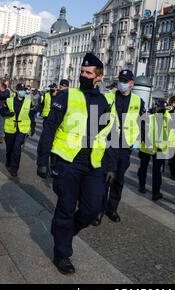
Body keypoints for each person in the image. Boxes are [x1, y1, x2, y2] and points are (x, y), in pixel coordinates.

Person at [36, 53, 116, 275]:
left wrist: (111, 166)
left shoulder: (105, 101)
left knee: (92, 210)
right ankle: (62, 253)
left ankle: (64, 232)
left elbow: (107, 135)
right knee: (66, 208)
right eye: (82, 72)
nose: (83, 76)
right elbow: (50, 127)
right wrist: (42, 159)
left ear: (99, 77)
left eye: (88, 73)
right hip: (68, 161)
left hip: (93, 164)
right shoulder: (67, 95)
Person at [92, 70, 146, 226]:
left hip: (125, 146)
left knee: (119, 180)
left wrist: (140, 140)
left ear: (131, 83)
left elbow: (143, 122)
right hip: (108, 144)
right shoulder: (108, 98)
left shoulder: (138, 101)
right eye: (120, 80)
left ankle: (112, 209)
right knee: (105, 178)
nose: (122, 83)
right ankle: (99, 211)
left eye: (125, 80)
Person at [138, 99, 175, 201]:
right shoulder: (163, 118)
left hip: (153, 148)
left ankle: (148, 189)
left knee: (150, 170)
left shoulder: (165, 118)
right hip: (152, 148)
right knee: (151, 170)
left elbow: (171, 134)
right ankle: (153, 192)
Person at [0, 83, 36, 177]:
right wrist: (7, 113)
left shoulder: (28, 102)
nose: (22, 91)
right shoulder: (9, 100)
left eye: (24, 90)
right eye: (20, 90)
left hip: (22, 129)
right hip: (10, 128)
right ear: (16, 90)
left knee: (17, 148)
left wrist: (33, 127)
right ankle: (8, 160)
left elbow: (31, 116)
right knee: (10, 148)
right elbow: (1, 111)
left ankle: (14, 169)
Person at [36, 83, 62, 176]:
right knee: (46, 141)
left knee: (54, 143)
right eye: (51, 87)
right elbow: (41, 104)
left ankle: (53, 164)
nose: (52, 89)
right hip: (46, 118)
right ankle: (45, 165)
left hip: (56, 120)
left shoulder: (60, 96)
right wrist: (39, 111)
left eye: (53, 87)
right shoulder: (46, 95)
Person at [0, 79, 12, 144]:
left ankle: (1, 137)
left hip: (3, 109)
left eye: (6, 83)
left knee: (1, 123)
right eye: (4, 83)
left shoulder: (7, 91)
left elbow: (2, 95)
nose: (5, 84)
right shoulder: (1, 91)